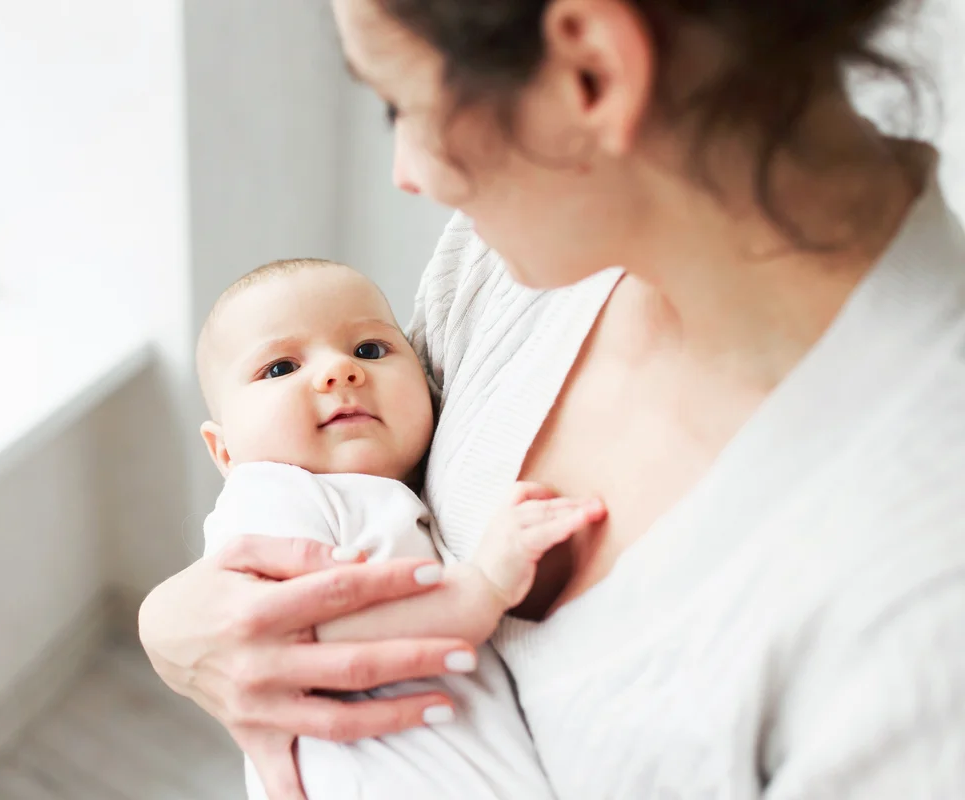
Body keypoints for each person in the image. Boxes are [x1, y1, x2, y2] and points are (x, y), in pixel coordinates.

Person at [140, 0, 965, 797]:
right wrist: (176, 625)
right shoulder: (508, 267)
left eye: (400, 105)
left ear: (592, 72)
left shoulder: (917, 617)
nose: (409, 176)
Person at [196, 257, 604, 799]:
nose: (339, 373)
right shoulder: (270, 494)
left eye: (369, 349)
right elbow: (289, 637)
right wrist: (484, 587)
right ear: (226, 450)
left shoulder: (403, 497)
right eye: (280, 368)